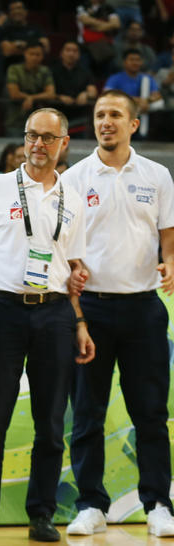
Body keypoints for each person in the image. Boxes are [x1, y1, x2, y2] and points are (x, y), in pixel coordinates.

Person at [0, 108, 95, 542]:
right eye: (31, 136)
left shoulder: (73, 199)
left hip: (55, 314)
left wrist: (80, 320)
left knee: (51, 422)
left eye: (47, 138)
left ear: (63, 143)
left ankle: (42, 514)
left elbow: (71, 267)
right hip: (3, 311)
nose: (37, 144)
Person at [61, 90, 174, 538]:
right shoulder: (74, 177)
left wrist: (170, 262)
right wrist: (73, 266)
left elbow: (168, 235)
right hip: (90, 311)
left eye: (115, 115)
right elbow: (63, 243)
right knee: (87, 411)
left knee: (150, 412)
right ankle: (90, 503)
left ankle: (159, 502)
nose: (106, 122)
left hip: (145, 309)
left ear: (133, 124)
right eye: (99, 115)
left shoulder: (158, 175)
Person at [5, 43, 56, 135]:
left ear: (42, 56)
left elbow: (51, 94)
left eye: (38, 55)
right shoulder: (14, 69)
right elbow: (14, 93)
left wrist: (31, 98)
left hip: (39, 122)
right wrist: (31, 97)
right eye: (31, 54)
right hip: (16, 118)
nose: (34, 57)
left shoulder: (45, 70)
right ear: (25, 54)